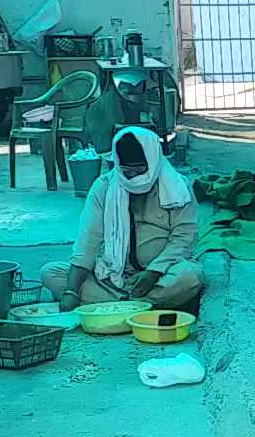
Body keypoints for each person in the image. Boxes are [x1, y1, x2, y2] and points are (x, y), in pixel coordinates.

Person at [43, 126, 204, 311]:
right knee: (51, 273)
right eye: (127, 170)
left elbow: (184, 238)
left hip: (162, 274)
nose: (133, 176)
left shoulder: (177, 188)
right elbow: (88, 242)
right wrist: (71, 291)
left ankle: (116, 306)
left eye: (140, 169)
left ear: (153, 161)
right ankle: (139, 306)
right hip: (113, 278)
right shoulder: (103, 187)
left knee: (189, 277)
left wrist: (153, 272)